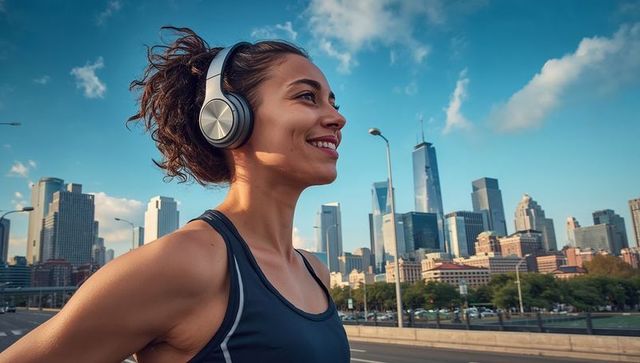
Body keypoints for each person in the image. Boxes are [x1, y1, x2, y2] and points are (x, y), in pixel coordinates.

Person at [1, 26, 348, 363]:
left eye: (333, 102)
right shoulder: (185, 264)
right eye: (307, 96)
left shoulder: (315, 271)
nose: (337, 118)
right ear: (226, 118)